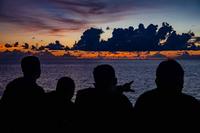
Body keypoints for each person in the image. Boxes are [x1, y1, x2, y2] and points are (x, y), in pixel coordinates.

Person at [133, 59, 200, 130]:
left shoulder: (144, 101)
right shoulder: (191, 104)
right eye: (179, 80)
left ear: (157, 81)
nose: (182, 84)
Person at [75, 64, 134, 131]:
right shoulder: (122, 101)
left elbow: (102, 92)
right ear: (115, 81)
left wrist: (121, 88)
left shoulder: (82, 97)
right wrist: (120, 89)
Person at [0, 56, 45, 132]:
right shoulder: (37, 91)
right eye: (38, 67)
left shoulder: (12, 85)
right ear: (36, 69)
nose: (40, 69)